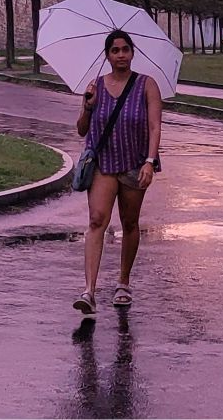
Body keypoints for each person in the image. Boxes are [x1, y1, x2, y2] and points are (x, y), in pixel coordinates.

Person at [73, 29, 162, 318]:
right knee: (97, 220)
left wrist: (149, 161)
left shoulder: (147, 85)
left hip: (135, 164)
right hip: (102, 164)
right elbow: (82, 130)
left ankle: (123, 282)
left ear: (132, 53)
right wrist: (87, 106)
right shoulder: (94, 86)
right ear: (107, 55)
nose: (121, 55)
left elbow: (154, 127)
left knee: (129, 222)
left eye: (125, 49)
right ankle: (89, 291)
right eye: (115, 50)